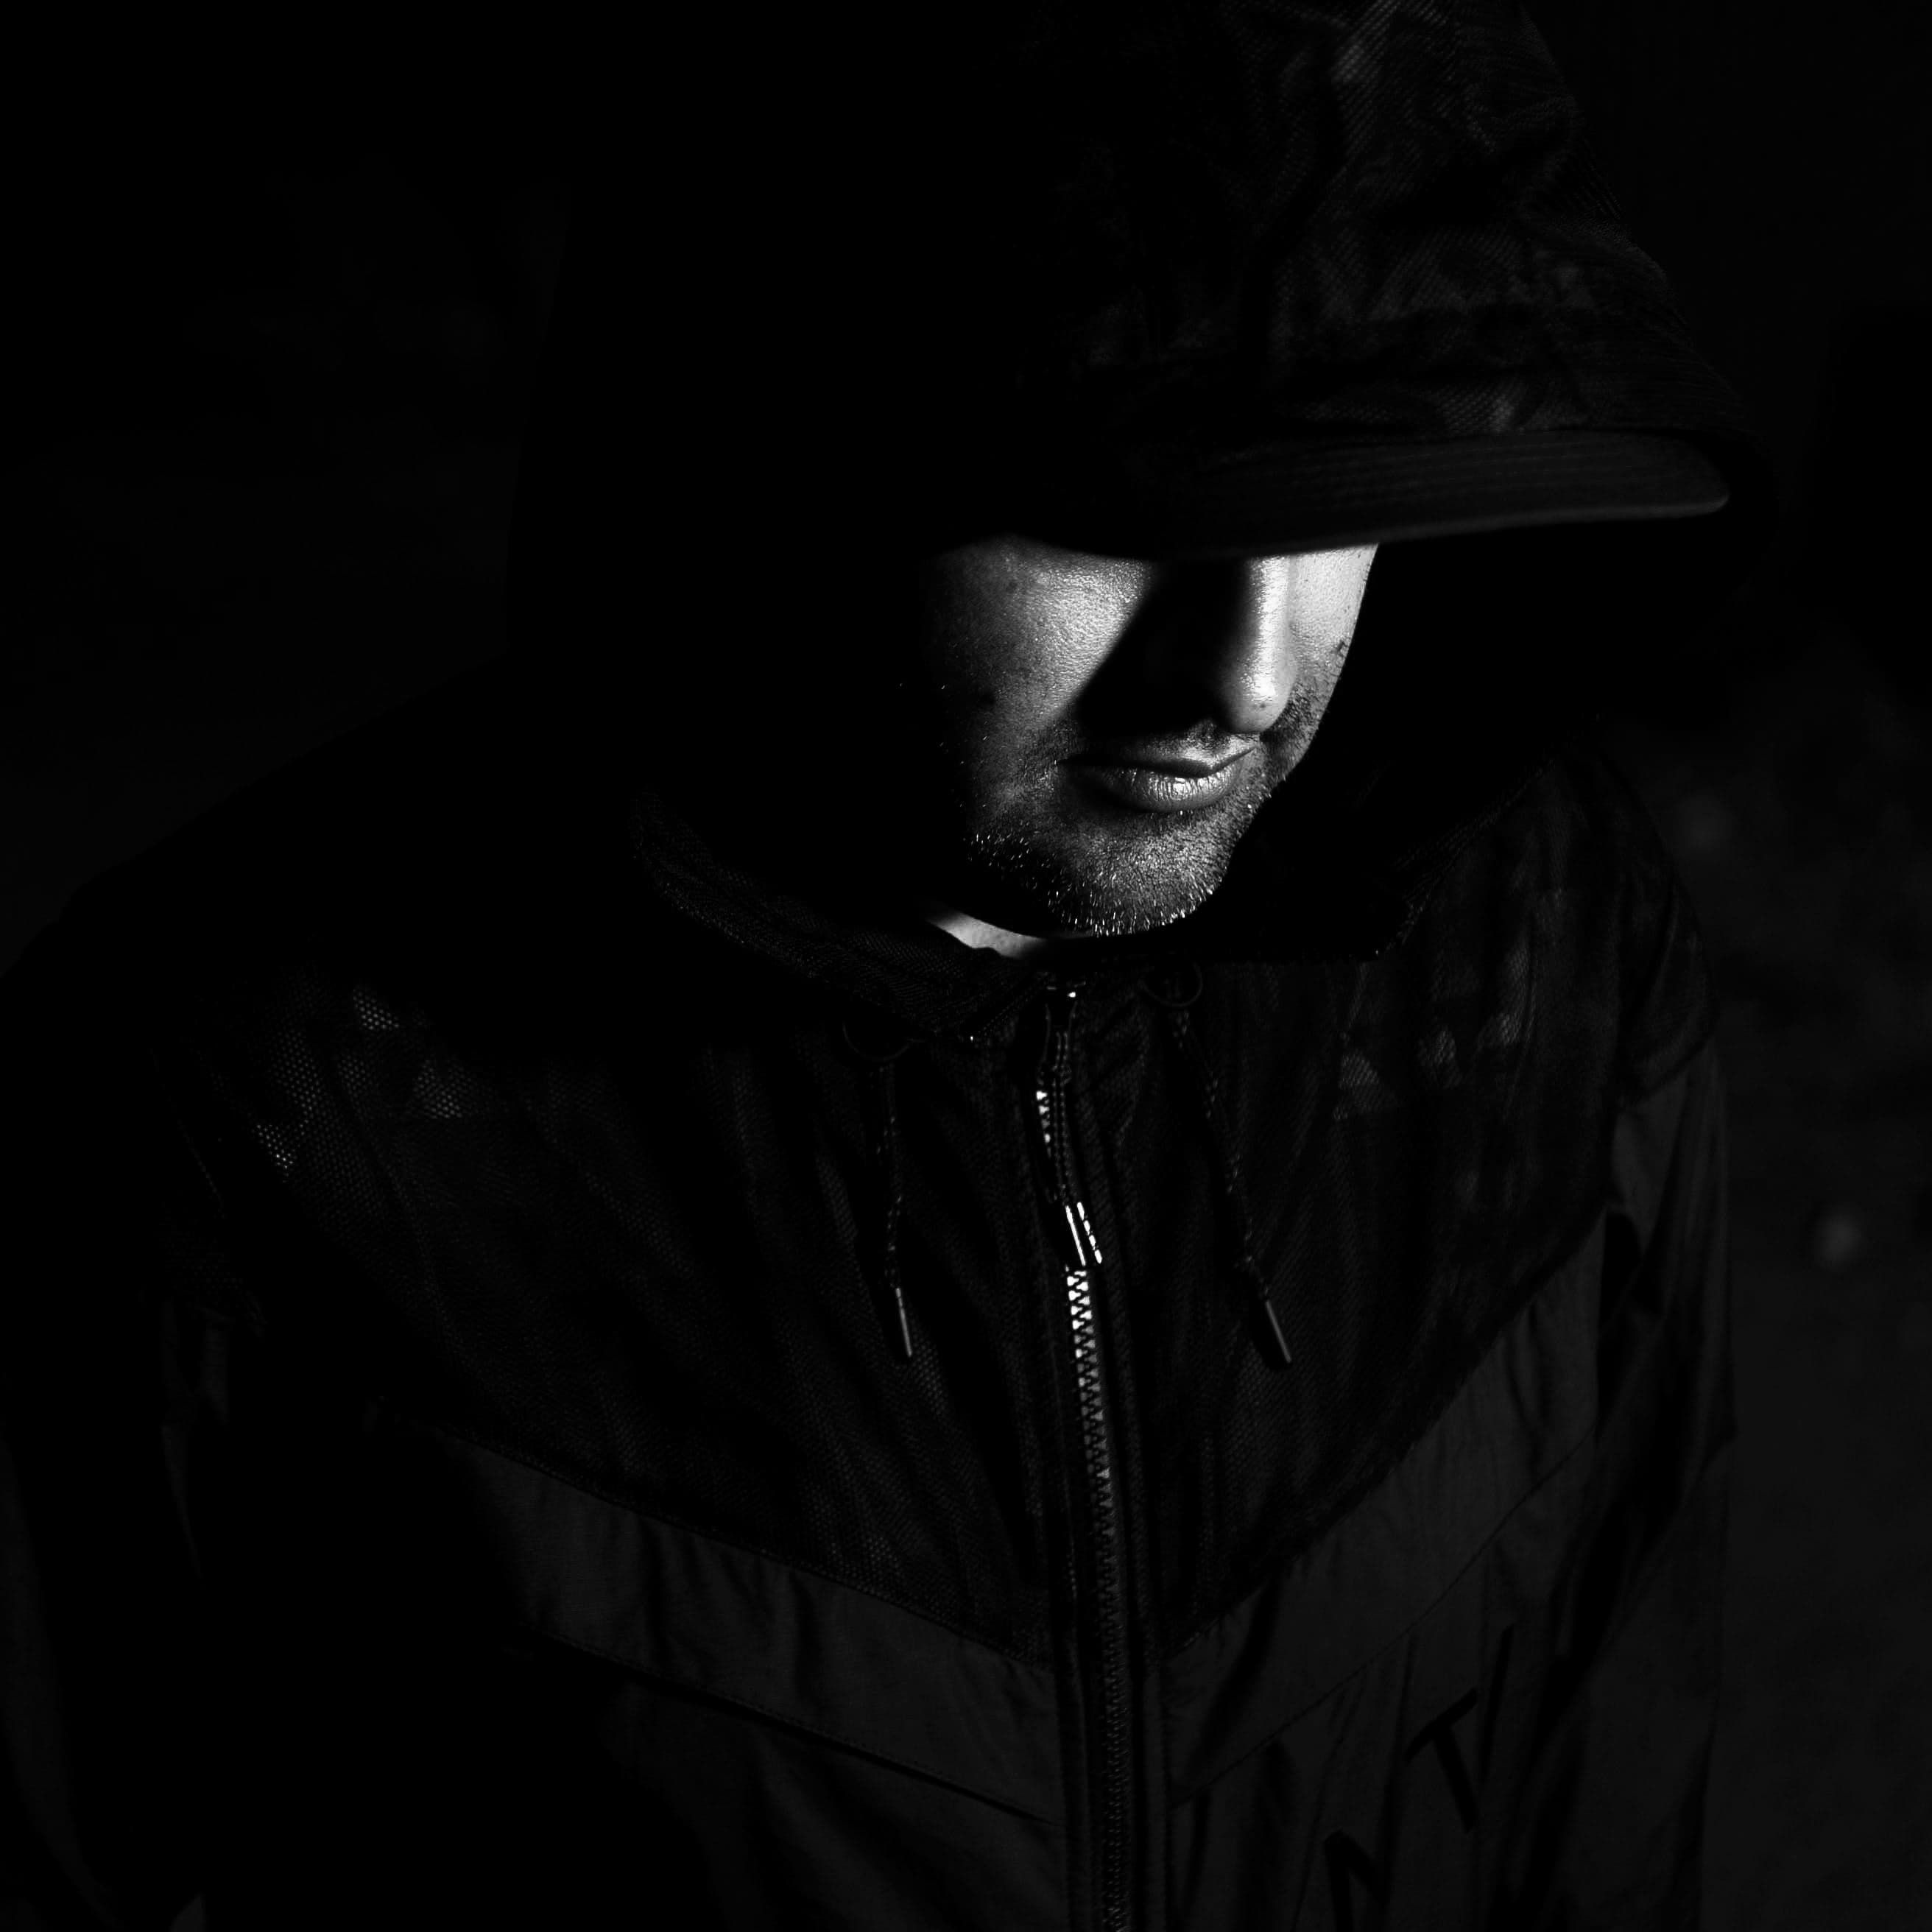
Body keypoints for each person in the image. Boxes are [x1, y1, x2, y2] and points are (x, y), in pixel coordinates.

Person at [0, 4, 1773, 1928]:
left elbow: (1605, 1784)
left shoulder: (1539, 945)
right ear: (800, 444)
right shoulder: (249, 1114)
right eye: (1115, 519)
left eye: (1358, 502)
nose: (1245, 678)